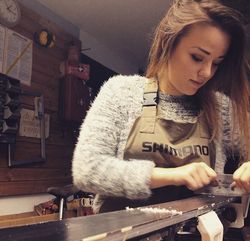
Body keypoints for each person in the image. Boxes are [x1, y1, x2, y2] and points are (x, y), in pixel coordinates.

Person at [72, 0, 250, 214]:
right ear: (169, 42)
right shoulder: (122, 92)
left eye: (216, 63)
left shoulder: (220, 108)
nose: (207, 72)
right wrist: (172, 176)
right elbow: (87, 171)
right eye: (197, 57)